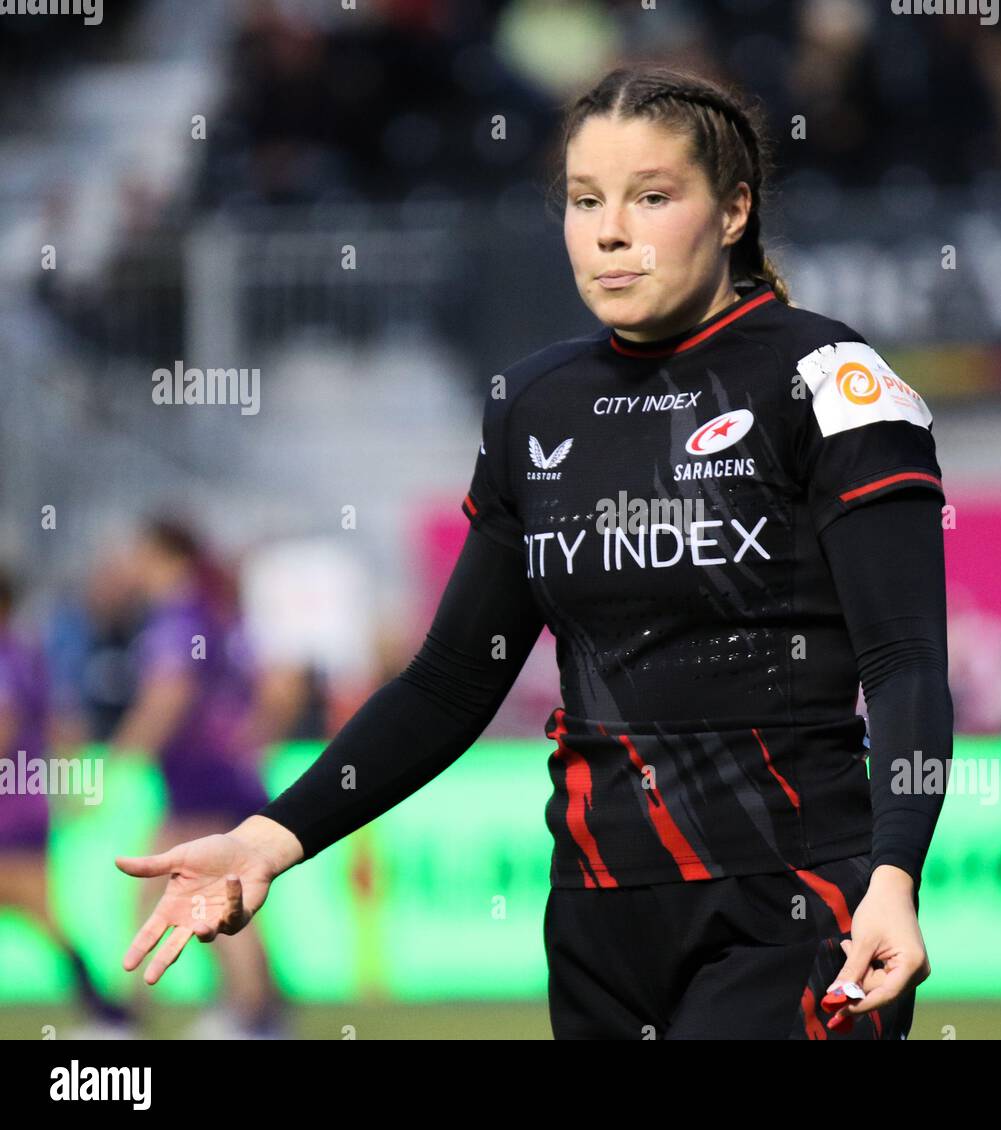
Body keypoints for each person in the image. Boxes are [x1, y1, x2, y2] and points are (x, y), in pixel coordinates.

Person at [117, 64, 952, 1040]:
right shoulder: (533, 403)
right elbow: (446, 684)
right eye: (584, 199)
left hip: (796, 908)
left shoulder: (829, 380)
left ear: (732, 211)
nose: (609, 230)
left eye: (651, 197)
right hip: (596, 923)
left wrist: (895, 875)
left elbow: (905, 664)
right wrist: (266, 840)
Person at [111, 517, 287, 1038]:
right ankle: (257, 1012)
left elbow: (171, 693)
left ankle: (248, 1017)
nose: (131, 565)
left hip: (200, 777)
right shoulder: (216, 610)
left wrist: (124, 753)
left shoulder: (179, 617)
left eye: (137, 552)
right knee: (207, 894)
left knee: (204, 894)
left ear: (160, 553)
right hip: (219, 774)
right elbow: (268, 688)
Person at [0, 566, 138, 1037]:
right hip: (25, 806)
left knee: (44, 915)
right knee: (45, 917)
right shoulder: (28, 655)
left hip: (8, 813)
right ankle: (107, 1012)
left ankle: (109, 1014)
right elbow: (66, 724)